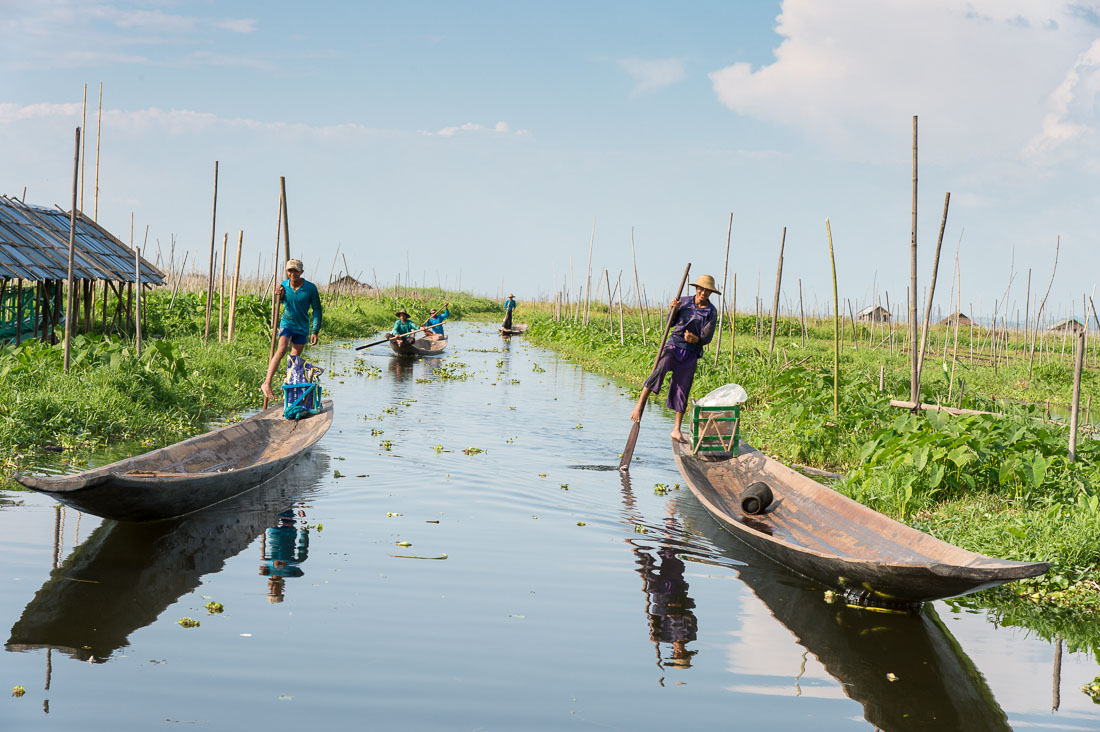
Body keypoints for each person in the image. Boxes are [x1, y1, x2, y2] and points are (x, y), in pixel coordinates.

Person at [629, 274, 719, 442]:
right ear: (696, 289)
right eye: (701, 289)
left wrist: (696, 339)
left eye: (707, 291)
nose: (703, 293)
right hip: (673, 345)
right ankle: (639, 405)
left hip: (691, 352)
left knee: (682, 387)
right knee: (660, 369)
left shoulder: (711, 312)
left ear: (710, 293)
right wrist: (673, 310)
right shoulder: (683, 302)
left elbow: (707, 337)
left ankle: (676, 429)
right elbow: (669, 323)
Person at [261, 259, 323, 401]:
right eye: (290, 271)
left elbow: (317, 310)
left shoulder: (310, 288)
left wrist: (315, 330)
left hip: (302, 327)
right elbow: (282, 300)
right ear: (287, 272)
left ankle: (289, 388)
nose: (292, 273)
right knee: (281, 350)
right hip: (287, 323)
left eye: (296, 271)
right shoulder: (283, 285)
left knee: (294, 360)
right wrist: (279, 294)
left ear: (301, 272)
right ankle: (267, 383)